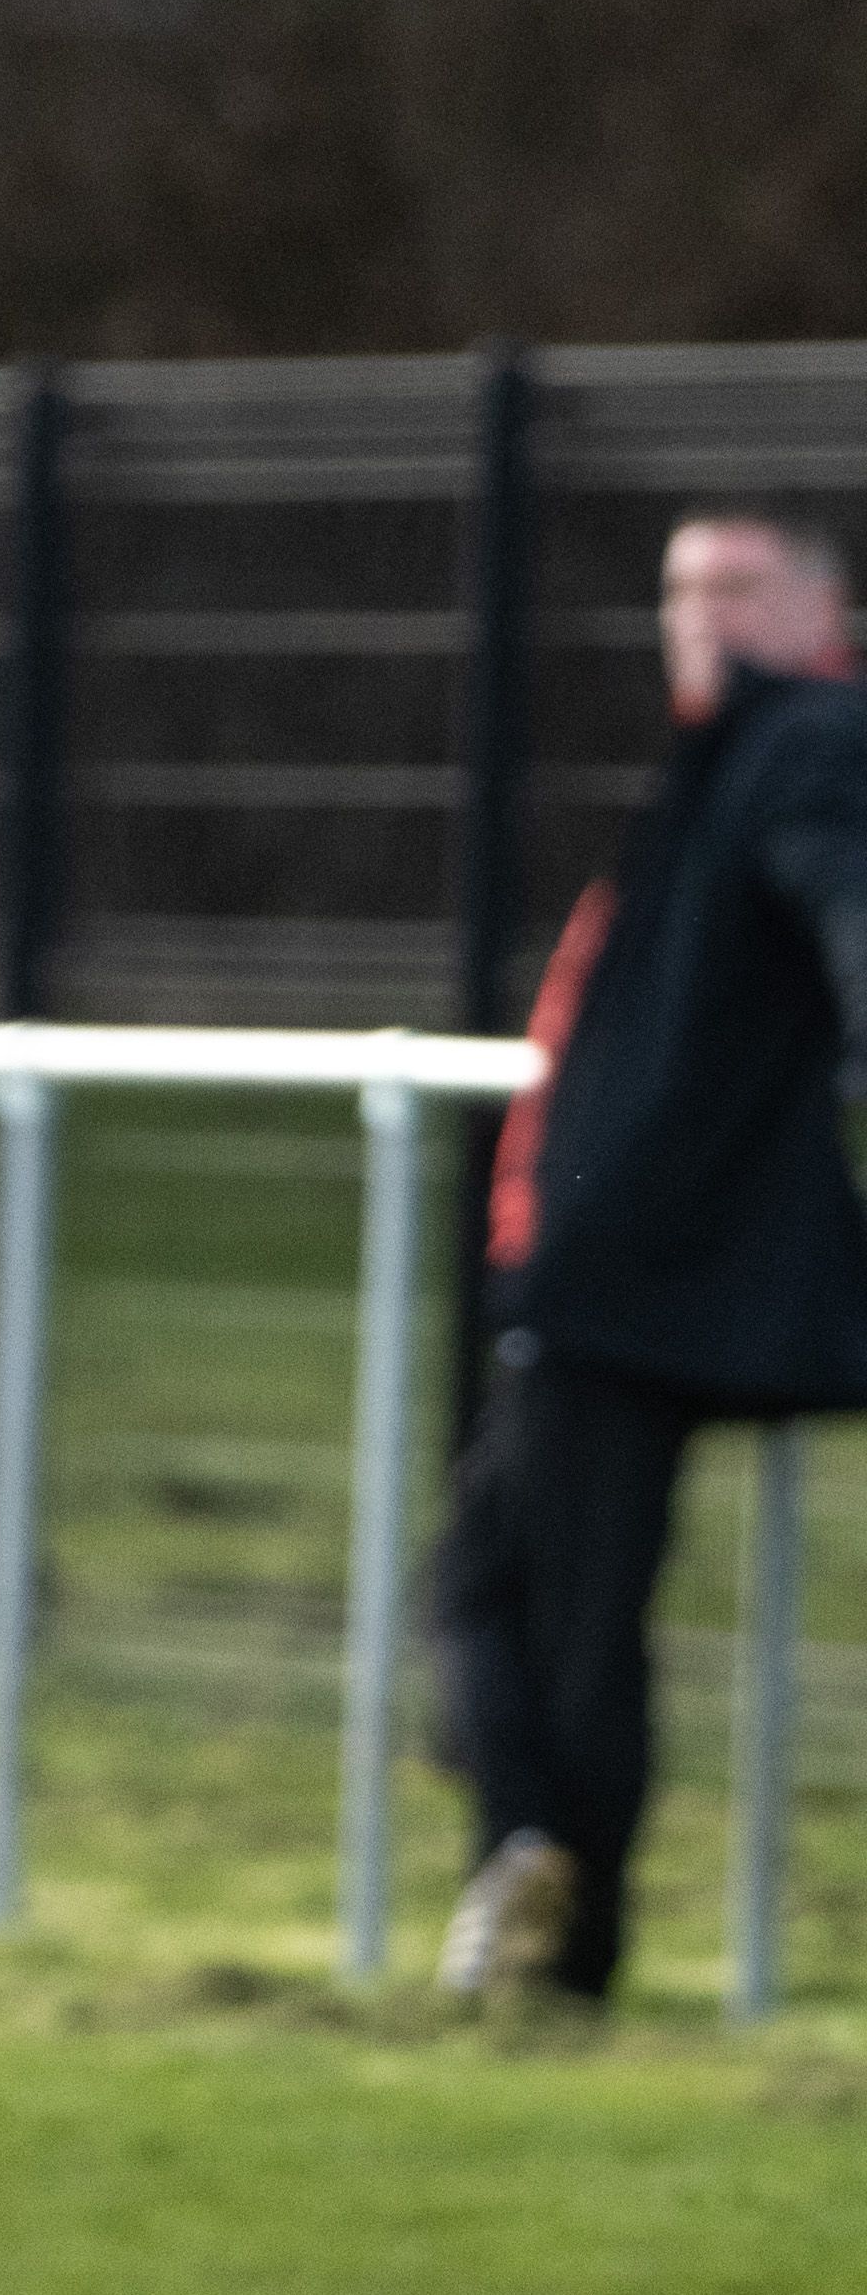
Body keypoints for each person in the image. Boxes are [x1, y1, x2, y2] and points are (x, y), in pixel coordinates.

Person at [434, 505, 867, 2013]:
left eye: (735, 587)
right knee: (504, 1591)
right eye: (679, 587)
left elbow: (847, 906)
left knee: (545, 1610)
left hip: (646, 1266)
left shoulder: (805, 742)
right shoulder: (725, 754)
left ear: (820, 612)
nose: (697, 613)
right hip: (606, 1256)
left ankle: (559, 1927)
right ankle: (535, 1873)